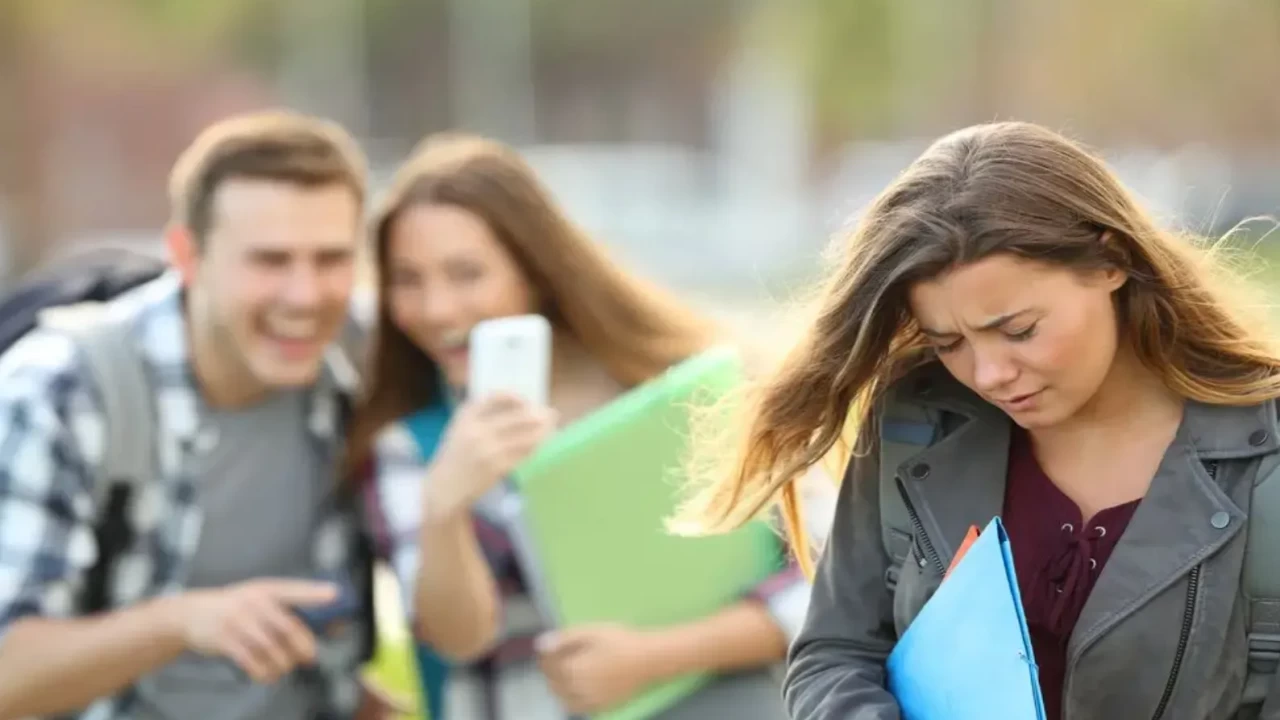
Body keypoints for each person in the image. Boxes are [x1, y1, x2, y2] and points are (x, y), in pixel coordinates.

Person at [673, 120, 1280, 719]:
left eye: (1018, 331)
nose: (988, 374)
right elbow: (837, 651)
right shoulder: (912, 421)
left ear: (1110, 261)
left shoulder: (1266, 455)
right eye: (948, 342)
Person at [342, 132, 824, 719]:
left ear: (536, 271)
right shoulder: (409, 445)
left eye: (466, 274)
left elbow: (817, 588)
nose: (437, 308)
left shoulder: (674, 392)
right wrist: (445, 505)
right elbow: (456, 639)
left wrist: (650, 658)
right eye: (408, 280)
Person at [0, 110, 400, 720]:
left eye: (331, 259)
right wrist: (183, 623)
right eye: (270, 261)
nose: (305, 295)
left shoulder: (360, 371)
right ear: (186, 255)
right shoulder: (61, 391)